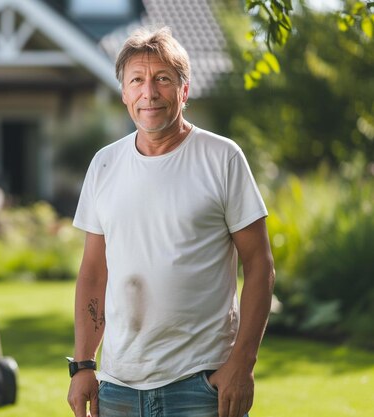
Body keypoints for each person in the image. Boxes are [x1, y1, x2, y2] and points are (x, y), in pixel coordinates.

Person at [66, 26, 275, 417]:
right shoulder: (104, 164)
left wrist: (241, 367)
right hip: (118, 388)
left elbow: (260, 265)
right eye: (137, 80)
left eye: (163, 79)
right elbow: (94, 273)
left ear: (184, 90)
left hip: (202, 385)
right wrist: (83, 365)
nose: (150, 92)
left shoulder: (222, 158)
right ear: (124, 92)